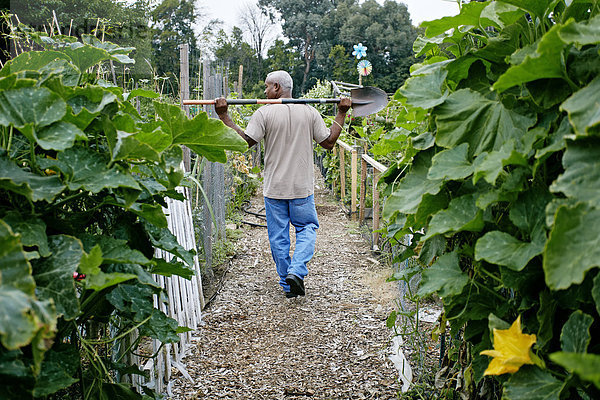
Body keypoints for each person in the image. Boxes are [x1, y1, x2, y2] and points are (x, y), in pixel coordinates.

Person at [215, 70, 352, 298]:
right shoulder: (309, 111)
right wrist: (341, 112)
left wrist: (224, 116)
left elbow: (244, 142)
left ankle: (288, 284)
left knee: (278, 237)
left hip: (275, 189)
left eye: (267, 87)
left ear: (277, 87)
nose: (265, 91)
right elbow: (328, 142)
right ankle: (296, 272)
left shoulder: (264, 113)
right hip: (301, 189)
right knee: (307, 228)